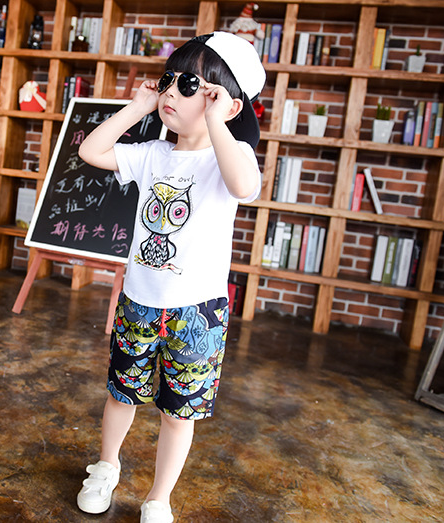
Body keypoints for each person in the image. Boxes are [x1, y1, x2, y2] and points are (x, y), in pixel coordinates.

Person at [76, 31, 266, 523]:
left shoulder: (232, 157)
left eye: (189, 85)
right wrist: (136, 108)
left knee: (179, 413)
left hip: (198, 312)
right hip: (140, 300)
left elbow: (244, 186)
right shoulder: (153, 153)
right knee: (121, 394)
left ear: (226, 103)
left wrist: (219, 123)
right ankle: (106, 466)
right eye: (169, 80)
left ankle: (159, 497)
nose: (170, 92)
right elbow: (92, 151)